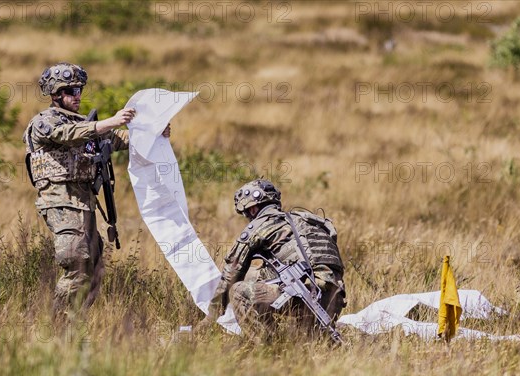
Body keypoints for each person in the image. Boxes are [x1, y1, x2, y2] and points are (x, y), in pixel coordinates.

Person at [23, 62, 169, 314]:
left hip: (84, 203)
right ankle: (55, 325)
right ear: (55, 94)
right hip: (60, 202)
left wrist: (154, 133)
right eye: (70, 91)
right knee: (77, 263)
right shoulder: (44, 123)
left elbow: (115, 139)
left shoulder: (85, 125)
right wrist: (111, 122)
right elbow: (69, 134)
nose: (77, 96)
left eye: (79, 90)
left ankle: (72, 323)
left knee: (95, 268)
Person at [197, 179, 347, 341]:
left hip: (304, 300)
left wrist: (209, 320)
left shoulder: (259, 227)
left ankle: (270, 348)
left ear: (253, 208)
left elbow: (231, 274)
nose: (248, 218)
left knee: (238, 291)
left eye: (247, 213)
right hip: (334, 299)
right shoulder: (309, 221)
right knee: (255, 276)